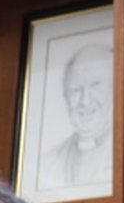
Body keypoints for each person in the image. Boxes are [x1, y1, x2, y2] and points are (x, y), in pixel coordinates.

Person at [41, 41, 114, 191]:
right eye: (75, 90)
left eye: (95, 85)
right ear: (65, 97)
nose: (85, 101)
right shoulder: (47, 163)